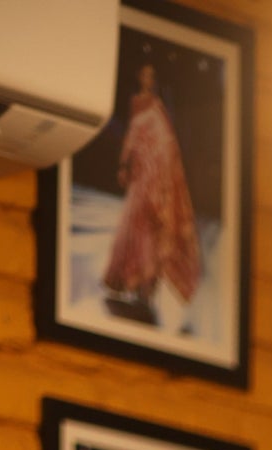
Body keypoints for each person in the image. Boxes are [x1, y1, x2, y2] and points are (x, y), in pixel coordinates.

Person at [101, 60, 202, 329]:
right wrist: (125, 164)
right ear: (139, 77)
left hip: (154, 176)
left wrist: (161, 175)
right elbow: (133, 135)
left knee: (152, 229)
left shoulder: (157, 107)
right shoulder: (138, 103)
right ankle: (131, 284)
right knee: (136, 227)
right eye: (144, 75)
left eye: (151, 76)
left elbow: (166, 143)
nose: (148, 79)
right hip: (141, 175)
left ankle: (146, 291)